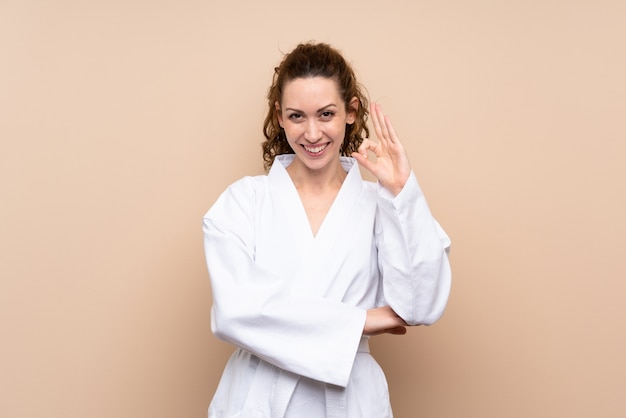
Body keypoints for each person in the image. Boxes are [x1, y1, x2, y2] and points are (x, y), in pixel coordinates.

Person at [202, 42, 451, 418]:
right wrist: (361, 321)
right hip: (259, 398)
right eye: (297, 116)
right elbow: (235, 313)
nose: (313, 133)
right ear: (279, 117)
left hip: (349, 399)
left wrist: (401, 192)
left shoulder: (380, 204)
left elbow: (420, 305)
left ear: (351, 112)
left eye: (326, 114)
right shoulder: (243, 202)